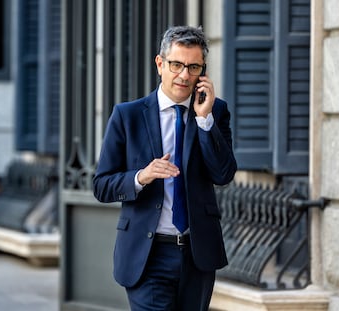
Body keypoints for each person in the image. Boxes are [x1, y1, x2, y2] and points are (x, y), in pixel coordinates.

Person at [93, 25, 237, 311]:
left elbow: (223, 174)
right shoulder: (128, 115)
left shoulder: (215, 111)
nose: (184, 75)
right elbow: (101, 185)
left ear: (202, 71)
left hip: (197, 255)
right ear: (160, 64)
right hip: (148, 255)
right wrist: (141, 177)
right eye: (176, 65)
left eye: (193, 67)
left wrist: (204, 120)